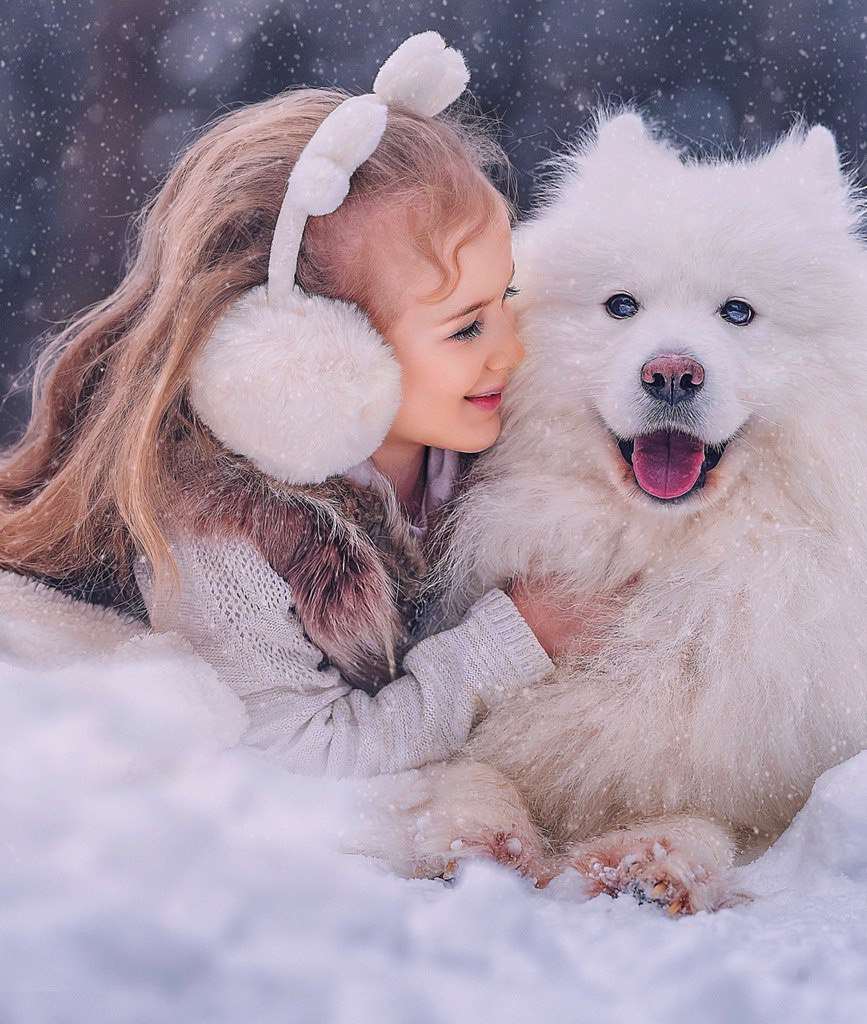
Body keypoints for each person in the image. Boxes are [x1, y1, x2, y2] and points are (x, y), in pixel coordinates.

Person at [0, 33, 589, 778]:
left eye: (505, 296)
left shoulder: (494, 434)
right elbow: (300, 758)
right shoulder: (222, 536)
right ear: (304, 355)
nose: (512, 350)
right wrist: (509, 643)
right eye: (465, 326)